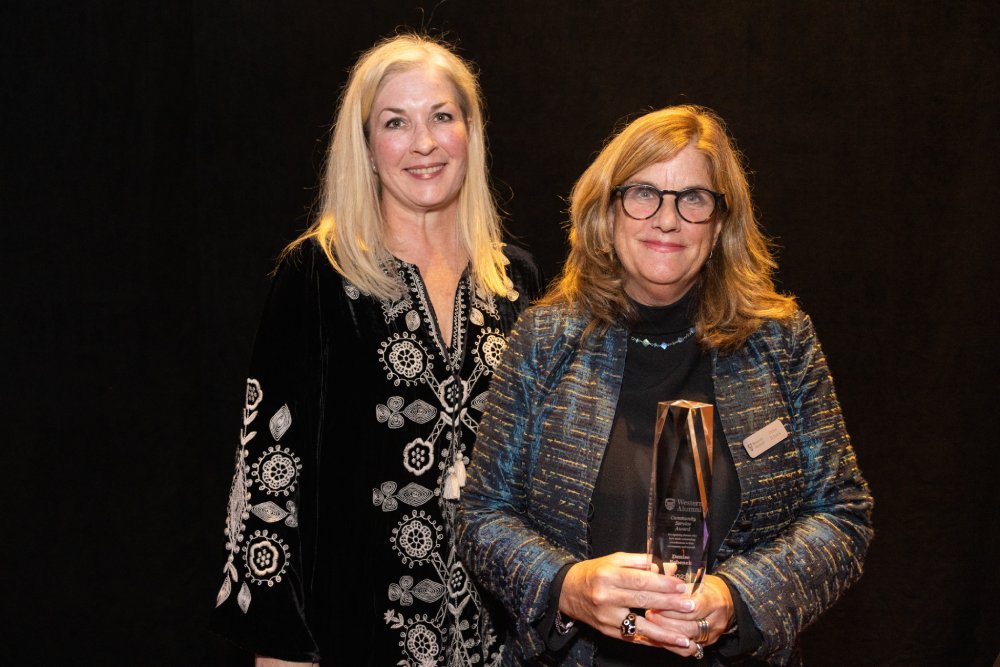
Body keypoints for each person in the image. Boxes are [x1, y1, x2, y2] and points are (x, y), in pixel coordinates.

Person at [456, 105, 873, 666]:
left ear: (720, 223)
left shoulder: (781, 342)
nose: (667, 219)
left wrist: (737, 599)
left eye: (693, 198)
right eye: (643, 193)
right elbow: (482, 514)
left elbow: (843, 515)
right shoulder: (544, 340)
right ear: (608, 212)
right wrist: (567, 586)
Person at [209, 32, 544, 666]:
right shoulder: (318, 274)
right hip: (353, 635)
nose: (423, 143)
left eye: (441, 116)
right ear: (366, 145)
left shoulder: (515, 281)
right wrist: (279, 649)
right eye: (396, 122)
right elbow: (269, 471)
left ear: (471, 131)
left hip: (502, 643)